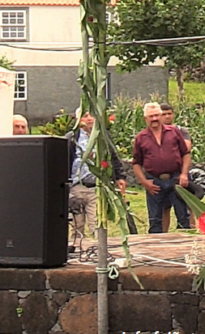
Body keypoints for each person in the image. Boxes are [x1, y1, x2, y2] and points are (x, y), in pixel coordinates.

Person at [66, 108, 126, 239]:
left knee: (97, 224)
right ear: (77, 120)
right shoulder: (71, 138)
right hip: (77, 187)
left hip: (96, 187)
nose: (88, 119)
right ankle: (77, 253)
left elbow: (113, 156)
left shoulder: (102, 136)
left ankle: (98, 253)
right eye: (84, 116)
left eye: (91, 115)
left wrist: (119, 176)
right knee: (78, 226)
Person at [132, 102, 192, 233]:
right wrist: (144, 182)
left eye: (156, 115)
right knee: (155, 220)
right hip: (154, 182)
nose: (154, 119)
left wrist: (184, 174)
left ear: (161, 116)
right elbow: (136, 163)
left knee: (183, 217)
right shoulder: (140, 138)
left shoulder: (174, 132)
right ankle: (156, 249)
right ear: (145, 119)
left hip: (175, 179)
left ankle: (186, 249)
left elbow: (185, 154)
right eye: (151, 116)